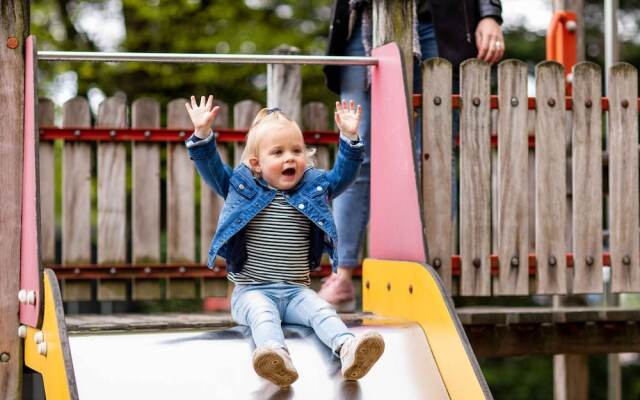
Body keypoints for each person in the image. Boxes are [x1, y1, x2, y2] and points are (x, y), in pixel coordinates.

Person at [184, 95, 385, 387]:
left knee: (321, 310)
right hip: (252, 292)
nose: (289, 157)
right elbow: (211, 166)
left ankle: (348, 349)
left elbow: (344, 176)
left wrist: (350, 138)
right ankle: (275, 358)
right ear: (256, 163)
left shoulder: (314, 189)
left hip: (295, 292)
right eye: (277, 152)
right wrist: (202, 134)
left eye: (296, 150)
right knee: (262, 314)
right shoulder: (240, 188)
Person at [320, 0, 504, 311]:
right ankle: (342, 272)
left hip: (435, 23)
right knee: (355, 149)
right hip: (362, 22)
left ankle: (433, 270)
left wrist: (489, 15)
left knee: (433, 154)